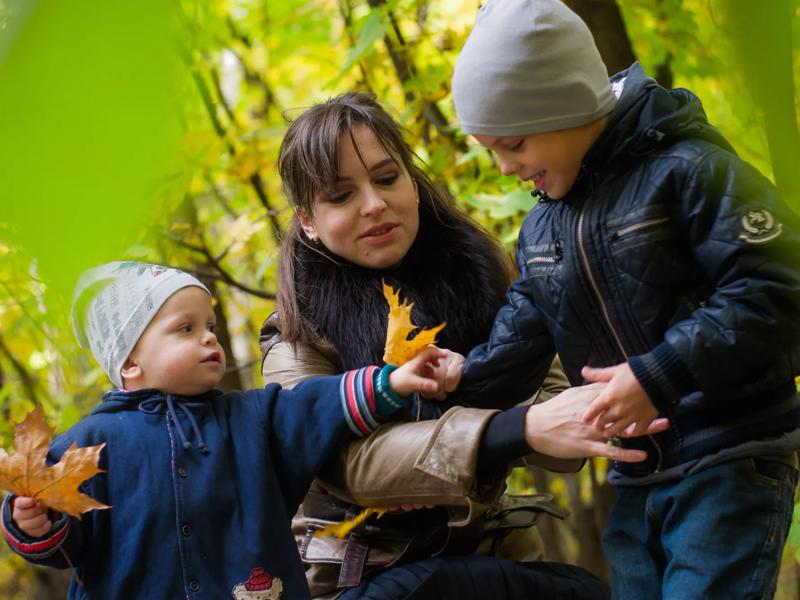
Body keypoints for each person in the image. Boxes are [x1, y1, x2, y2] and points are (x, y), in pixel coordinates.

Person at [450, 0, 800, 598]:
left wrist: (657, 375)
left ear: (563, 106)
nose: (504, 166)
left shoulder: (688, 170)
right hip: (637, 475)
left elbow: (777, 289)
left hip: (729, 457)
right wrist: (463, 375)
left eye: (512, 143)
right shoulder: (542, 230)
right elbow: (523, 334)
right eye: (490, 149)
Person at [262, 91, 667, 599]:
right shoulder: (293, 334)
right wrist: (517, 430)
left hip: (489, 553)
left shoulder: (480, 276)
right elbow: (352, 464)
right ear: (308, 221)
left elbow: (554, 401)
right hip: (362, 576)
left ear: (412, 181)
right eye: (341, 196)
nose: (374, 204)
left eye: (388, 178)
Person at [1, 261, 445, 599]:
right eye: (185, 329)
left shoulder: (252, 418)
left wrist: (392, 382)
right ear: (130, 362)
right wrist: (33, 523)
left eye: (210, 326)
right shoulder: (90, 444)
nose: (209, 338)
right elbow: (57, 542)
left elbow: (318, 405)